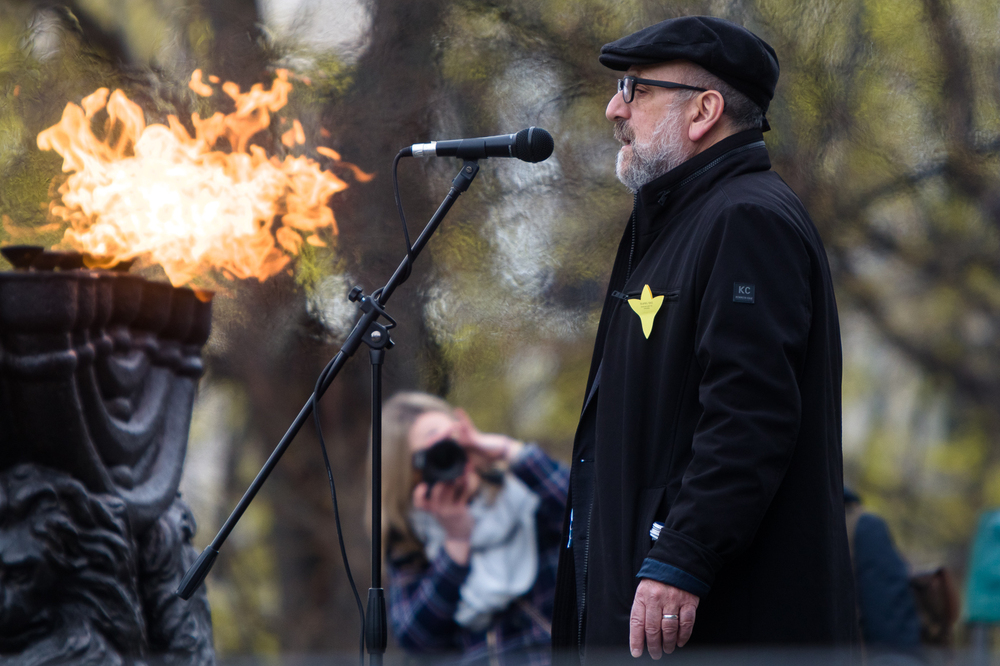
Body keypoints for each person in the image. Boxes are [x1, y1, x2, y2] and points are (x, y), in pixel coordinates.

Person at [550, 16, 858, 661]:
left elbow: (750, 413)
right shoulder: (678, 223)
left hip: (723, 626)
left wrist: (681, 557)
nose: (614, 108)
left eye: (635, 89)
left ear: (705, 111)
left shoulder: (746, 218)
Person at [377, 392, 568, 665]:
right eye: (435, 454)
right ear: (408, 474)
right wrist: (455, 544)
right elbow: (417, 640)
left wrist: (509, 451)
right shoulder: (410, 541)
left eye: (452, 442)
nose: (452, 456)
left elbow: (592, 522)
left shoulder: (523, 498)